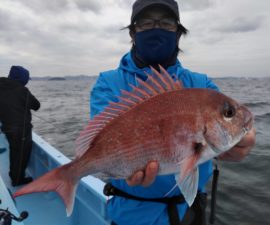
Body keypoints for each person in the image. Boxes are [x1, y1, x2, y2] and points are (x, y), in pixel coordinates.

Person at [90, 0, 256, 224]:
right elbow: (101, 139)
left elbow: (229, 125)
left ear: (178, 33)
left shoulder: (201, 84)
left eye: (166, 23)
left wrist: (242, 141)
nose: (156, 28)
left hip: (189, 209)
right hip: (131, 214)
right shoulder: (108, 82)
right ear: (132, 32)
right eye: (146, 22)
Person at [0, 66, 40, 186]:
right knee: (21, 154)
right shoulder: (22, 91)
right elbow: (36, 105)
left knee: (14, 151)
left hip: (7, 127)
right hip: (21, 130)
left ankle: (14, 175)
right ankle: (17, 179)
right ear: (23, 79)